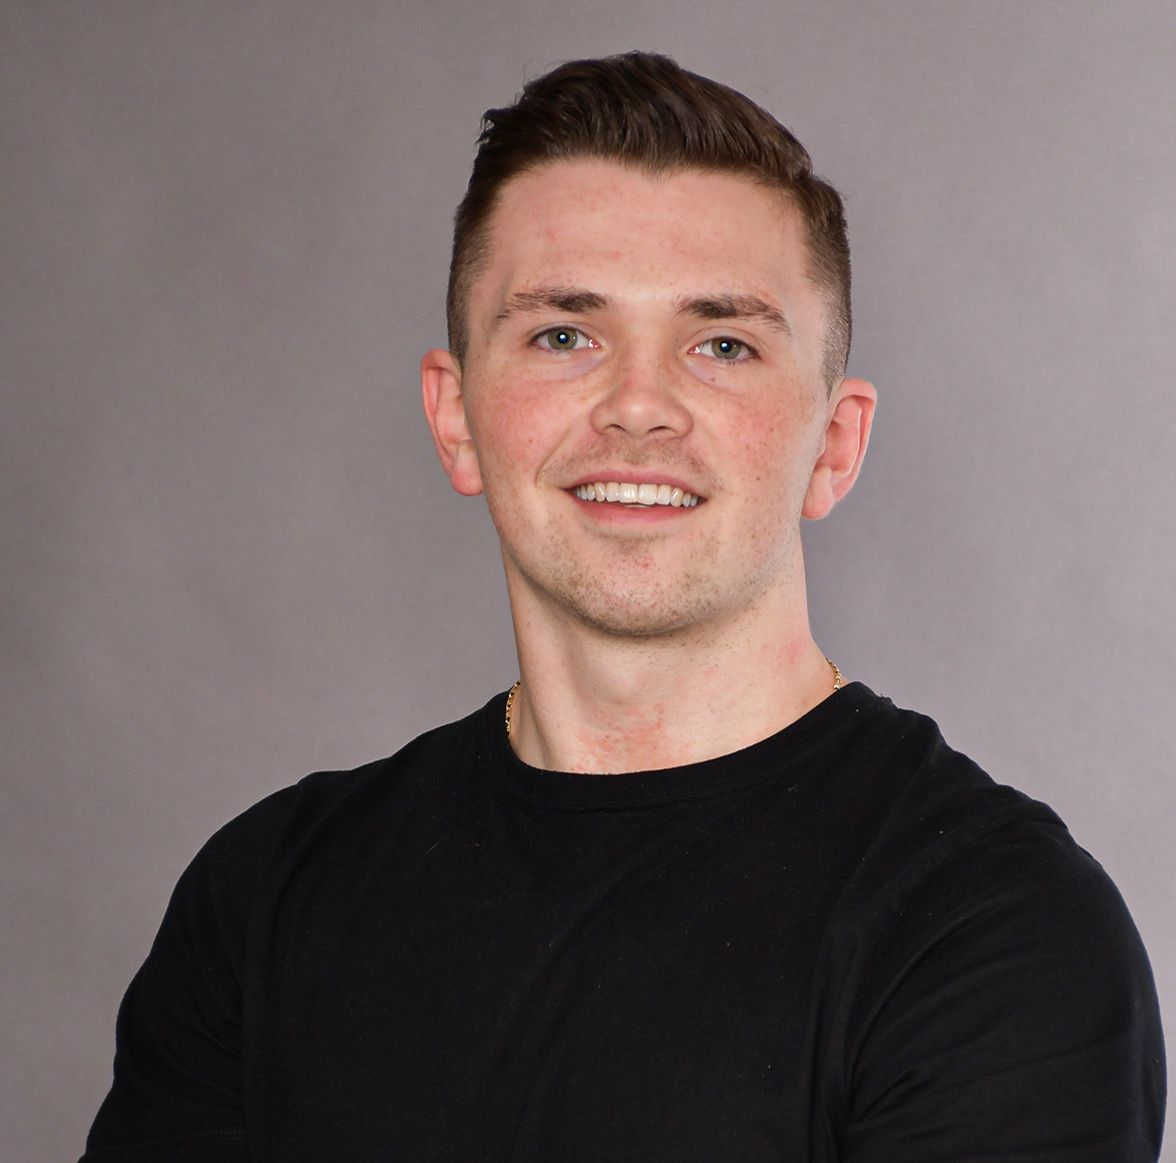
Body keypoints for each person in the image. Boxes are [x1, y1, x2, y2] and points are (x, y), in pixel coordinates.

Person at [82, 52, 1164, 1161]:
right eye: (565, 335)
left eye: (722, 344)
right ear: (456, 418)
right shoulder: (266, 898)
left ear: (833, 446)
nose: (639, 406)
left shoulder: (996, 926)